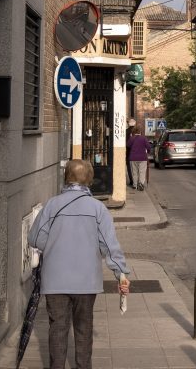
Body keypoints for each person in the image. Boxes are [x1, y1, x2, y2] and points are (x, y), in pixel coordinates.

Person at [29, 160, 130, 369]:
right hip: (86, 281)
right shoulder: (98, 209)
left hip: (55, 280)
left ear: (66, 177)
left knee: (57, 329)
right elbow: (109, 246)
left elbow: (35, 239)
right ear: (89, 179)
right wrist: (120, 273)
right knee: (84, 330)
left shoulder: (51, 205)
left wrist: (56, 245)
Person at [126, 126, 150, 191]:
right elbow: (148, 147)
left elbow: (127, 145)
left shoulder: (132, 138)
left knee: (134, 172)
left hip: (133, 158)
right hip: (142, 158)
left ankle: (134, 185)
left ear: (133, 132)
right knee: (142, 171)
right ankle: (141, 184)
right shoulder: (144, 138)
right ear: (140, 132)